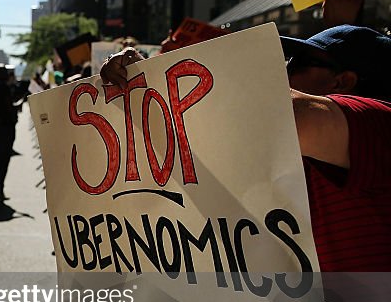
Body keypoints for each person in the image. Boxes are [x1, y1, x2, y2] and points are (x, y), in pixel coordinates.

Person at [101, 23, 391, 273]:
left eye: (297, 62)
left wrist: (169, 72)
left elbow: (277, 109)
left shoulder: (377, 121)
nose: (284, 69)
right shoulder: (302, 146)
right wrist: (147, 78)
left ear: (344, 81)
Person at [0, 63, 26, 203]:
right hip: (4, 128)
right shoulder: (2, 88)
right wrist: (18, 105)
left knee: (0, 158)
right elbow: (8, 107)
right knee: (3, 159)